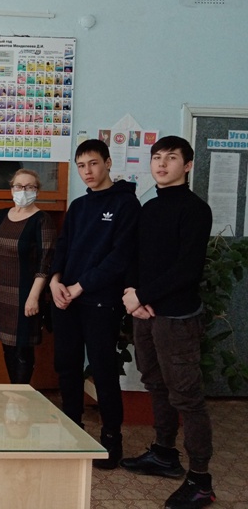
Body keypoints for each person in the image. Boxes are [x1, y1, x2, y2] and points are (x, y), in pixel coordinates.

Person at [120, 136, 216, 509]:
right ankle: (163, 453)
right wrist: (132, 293)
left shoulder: (195, 210)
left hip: (176, 317)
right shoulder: (150, 206)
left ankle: (201, 481)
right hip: (145, 313)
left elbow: (187, 270)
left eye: (171, 158)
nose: (161, 164)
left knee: (186, 397)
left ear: (187, 165)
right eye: (157, 157)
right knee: (156, 384)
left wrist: (142, 296)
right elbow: (135, 256)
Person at [49, 139, 139, 469]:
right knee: (66, 366)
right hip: (66, 299)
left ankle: (111, 439)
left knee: (102, 369)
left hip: (100, 301)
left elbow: (119, 257)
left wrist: (80, 286)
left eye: (93, 163)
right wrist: (56, 280)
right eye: (81, 166)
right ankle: (72, 429)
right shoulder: (78, 206)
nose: (87, 171)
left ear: (108, 163)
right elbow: (63, 246)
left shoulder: (127, 204)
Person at [0, 169, 56, 385]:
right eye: (18, 186)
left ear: (37, 191)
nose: (23, 191)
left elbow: (45, 262)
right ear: (11, 189)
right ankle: (13, 391)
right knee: (7, 346)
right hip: (1, 291)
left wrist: (34, 297)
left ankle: (21, 393)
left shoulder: (42, 220)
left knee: (23, 348)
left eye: (29, 187)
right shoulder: (0, 216)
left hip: (26, 292)